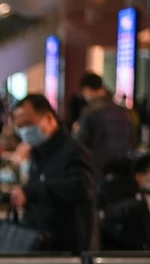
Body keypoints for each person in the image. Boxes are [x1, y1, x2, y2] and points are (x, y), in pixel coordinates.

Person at [11, 94, 97, 254]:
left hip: (68, 250)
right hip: (44, 246)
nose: (24, 132)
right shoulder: (39, 153)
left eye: (28, 124)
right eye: (20, 127)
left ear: (49, 118)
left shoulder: (73, 151)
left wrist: (32, 192)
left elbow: (81, 188)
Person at [76, 73, 134, 174]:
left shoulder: (89, 112)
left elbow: (80, 142)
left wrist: (75, 131)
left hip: (97, 167)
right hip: (122, 167)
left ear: (87, 90)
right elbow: (132, 138)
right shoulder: (123, 111)